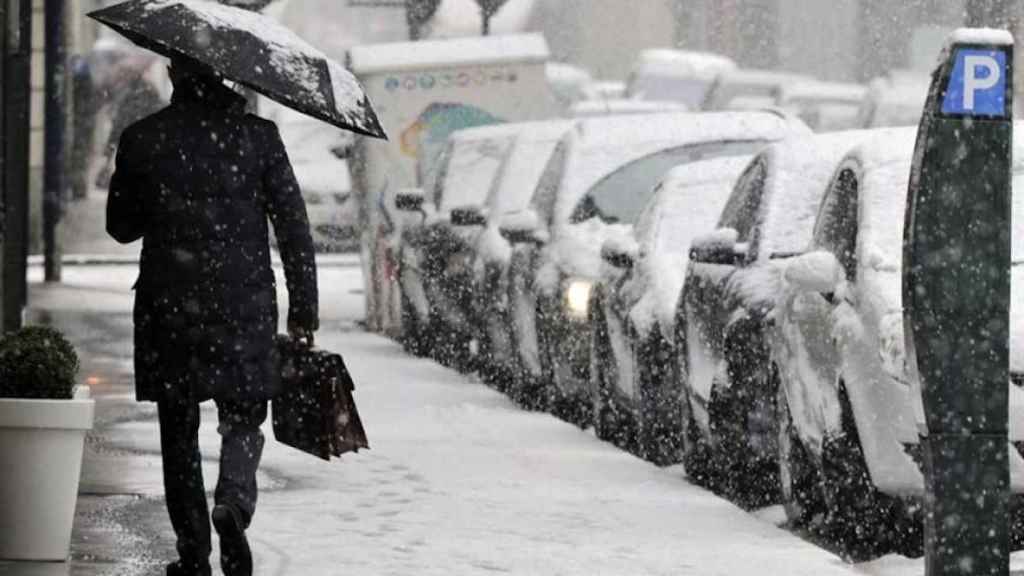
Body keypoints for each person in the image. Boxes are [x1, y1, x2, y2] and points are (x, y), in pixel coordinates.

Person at [106, 56, 318, 576]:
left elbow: (120, 227)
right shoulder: (259, 137)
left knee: (177, 432)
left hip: (168, 306)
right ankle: (234, 501)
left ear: (175, 75)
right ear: (223, 75)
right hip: (243, 303)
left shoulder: (143, 138)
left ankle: (193, 553)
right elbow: (293, 228)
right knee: (244, 414)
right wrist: (304, 309)